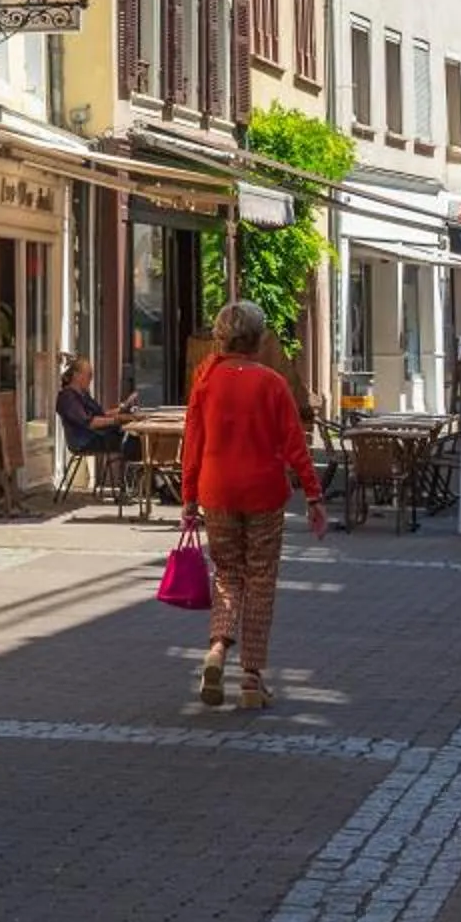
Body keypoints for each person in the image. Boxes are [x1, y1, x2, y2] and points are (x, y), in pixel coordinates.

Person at [179, 302, 326, 711]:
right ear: (260, 340)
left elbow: (193, 444)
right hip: (263, 492)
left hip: (216, 491)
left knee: (227, 574)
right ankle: (251, 678)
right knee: (260, 580)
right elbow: (295, 445)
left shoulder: (206, 381)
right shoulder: (272, 383)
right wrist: (313, 496)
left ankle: (216, 651)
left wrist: (188, 497)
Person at [55, 359, 138, 465]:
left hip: (97, 436)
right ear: (76, 375)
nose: (91, 379)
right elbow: (89, 422)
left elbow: (101, 415)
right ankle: (139, 477)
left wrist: (123, 408)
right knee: (134, 443)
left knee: (136, 438)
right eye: (89, 375)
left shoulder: (83, 394)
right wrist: (117, 420)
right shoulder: (68, 397)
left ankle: (139, 476)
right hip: (86, 440)